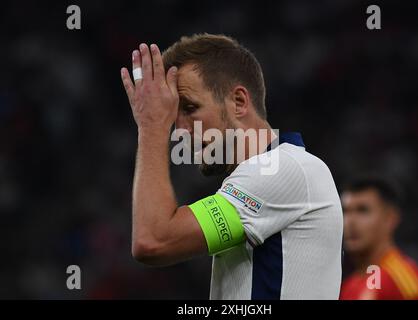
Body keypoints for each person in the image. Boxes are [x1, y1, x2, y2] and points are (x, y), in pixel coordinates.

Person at [120, 33, 343, 299]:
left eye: (189, 108)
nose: (178, 131)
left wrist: (151, 126)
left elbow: (153, 240)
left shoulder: (284, 168)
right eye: (173, 116)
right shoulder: (267, 173)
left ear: (238, 102)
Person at [340, 177, 418, 300]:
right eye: (345, 211)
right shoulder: (349, 286)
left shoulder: (401, 278)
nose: (350, 221)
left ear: (390, 218)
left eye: (362, 210)